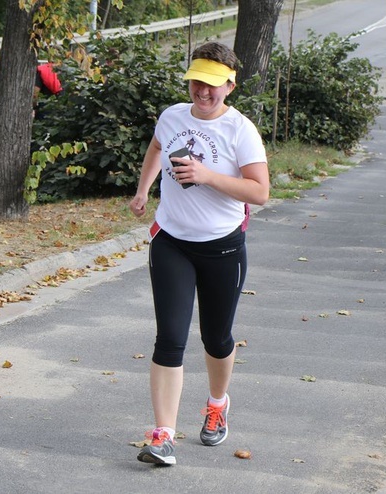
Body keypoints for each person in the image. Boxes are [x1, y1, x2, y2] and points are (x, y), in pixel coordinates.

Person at [129, 42, 269, 466]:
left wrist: (207, 176)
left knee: (216, 338)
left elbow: (260, 192)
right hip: (171, 240)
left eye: (211, 85)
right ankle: (163, 436)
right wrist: (143, 188)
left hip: (223, 247)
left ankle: (217, 403)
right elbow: (156, 147)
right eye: (196, 82)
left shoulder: (241, 130)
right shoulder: (172, 116)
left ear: (229, 85)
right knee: (169, 339)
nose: (202, 92)